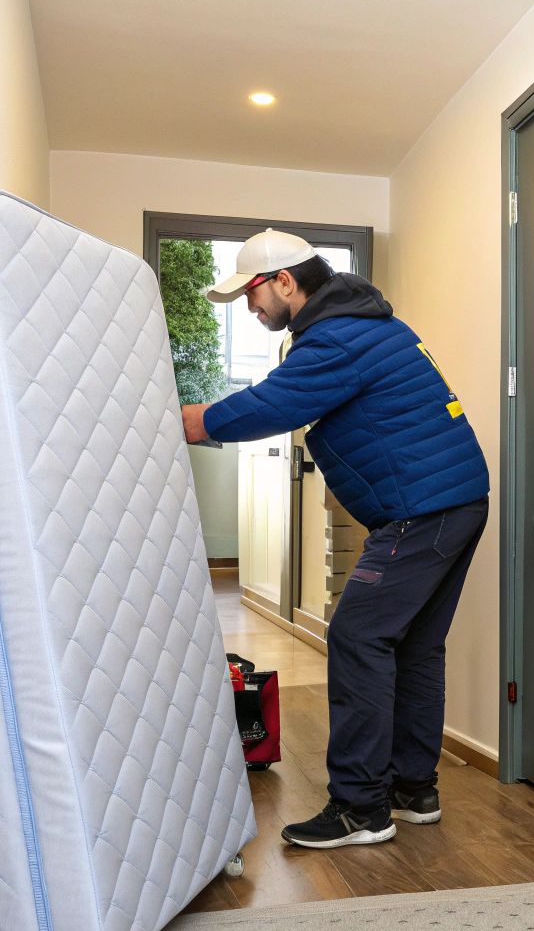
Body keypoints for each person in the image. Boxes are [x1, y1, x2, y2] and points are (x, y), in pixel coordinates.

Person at [182, 228, 490, 849]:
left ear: (284, 281)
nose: (250, 308)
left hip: (422, 509)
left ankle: (359, 807)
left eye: (251, 294)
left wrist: (196, 420)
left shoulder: (337, 337)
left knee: (357, 635)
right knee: (415, 647)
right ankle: (412, 789)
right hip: (455, 501)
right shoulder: (362, 324)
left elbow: (274, 405)